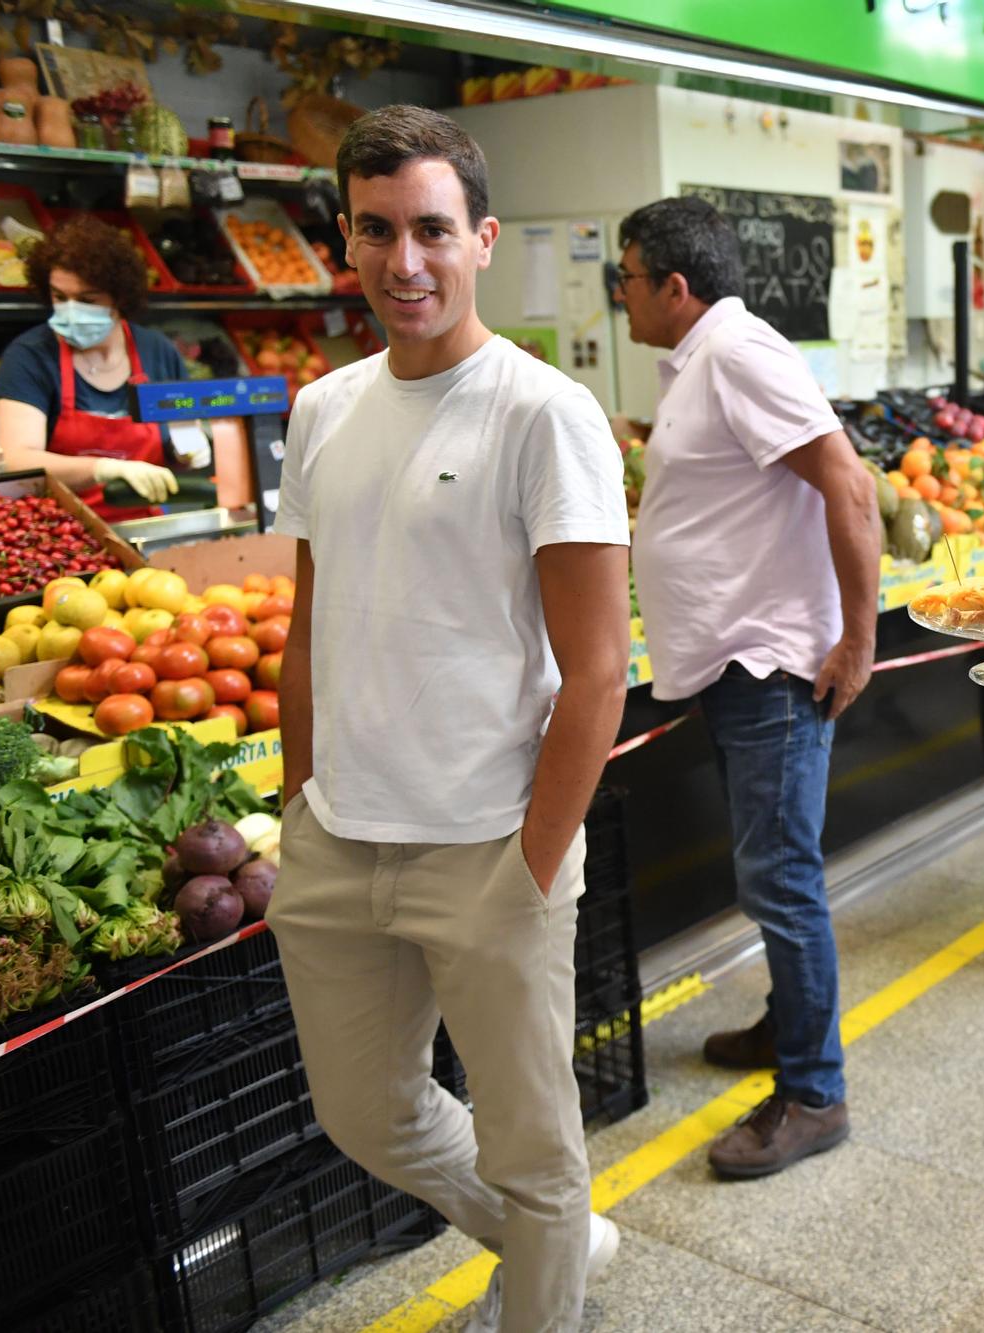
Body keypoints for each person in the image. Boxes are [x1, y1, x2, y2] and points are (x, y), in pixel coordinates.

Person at [267, 107, 631, 1333]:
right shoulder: (320, 410)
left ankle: (546, 1284)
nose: (402, 262)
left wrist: (532, 860)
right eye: (375, 231)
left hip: (486, 841)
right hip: (338, 840)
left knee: (534, 1154)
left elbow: (596, 671)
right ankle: (556, 1250)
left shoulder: (543, 414)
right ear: (347, 240)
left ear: (480, 240)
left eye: (430, 230)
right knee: (365, 1110)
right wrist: (296, 796)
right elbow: (312, 623)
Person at [619, 196, 880, 1177]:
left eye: (629, 277)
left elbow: (847, 486)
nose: (621, 294)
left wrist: (854, 640)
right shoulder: (702, 362)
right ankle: (786, 1030)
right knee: (769, 877)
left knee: (781, 881)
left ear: (675, 288)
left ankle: (813, 1094)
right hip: (737, 667)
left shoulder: (736, 352)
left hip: (771, 669)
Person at [0, 216, 244, 520]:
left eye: (87, 300)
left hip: (143, 525)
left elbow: (178, 435)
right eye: (60, 297)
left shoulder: (158, 352)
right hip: (57, 536)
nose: (70, 310)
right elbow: (14, 459)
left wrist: (186, 450)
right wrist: (101, 468)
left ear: (119, 297)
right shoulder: (30, 357)